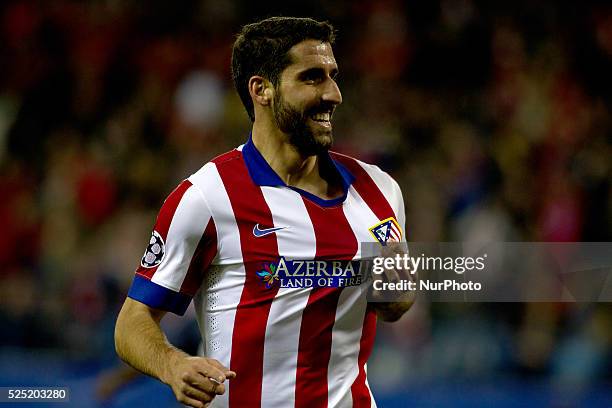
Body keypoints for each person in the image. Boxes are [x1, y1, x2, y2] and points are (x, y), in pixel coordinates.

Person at [115, 16, 412, 408]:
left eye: (333, 75)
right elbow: (131, 323)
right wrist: (173, 365)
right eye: (312, 77)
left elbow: (395, 300)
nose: (334, 93)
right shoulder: (207, 197)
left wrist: (396, 290)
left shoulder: (379, 191)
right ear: (262, 90)